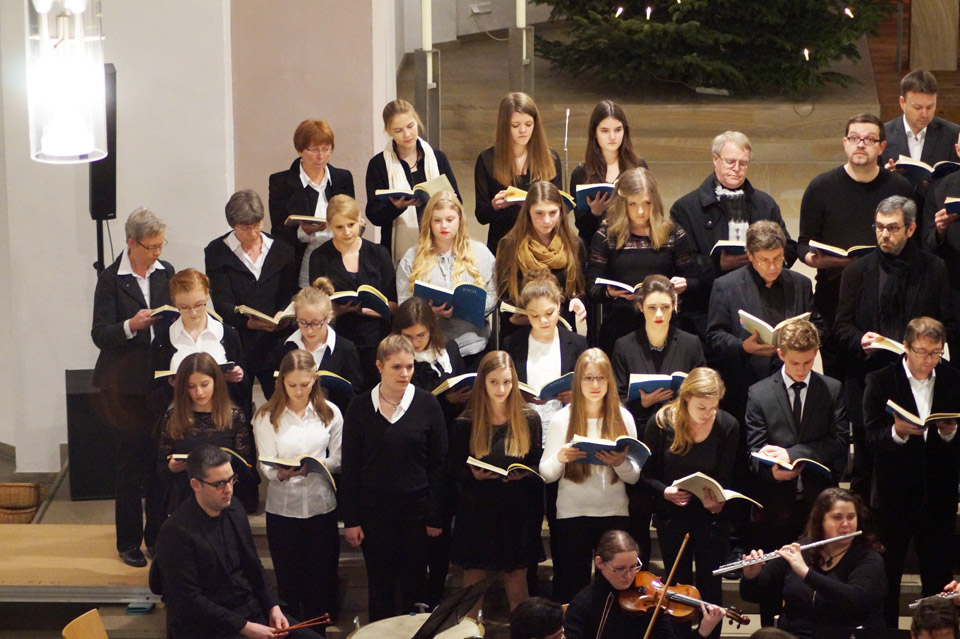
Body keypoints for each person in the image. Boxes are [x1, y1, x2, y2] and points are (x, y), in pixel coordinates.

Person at [834, 196, 955, 502]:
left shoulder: (933, 268)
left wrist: (926, 351)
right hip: (869, 380)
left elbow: (948, 323)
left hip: (919, 381)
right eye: (879, 227)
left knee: (918, 469)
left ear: (911, 229)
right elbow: (842, 327)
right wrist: (860, 340)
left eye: (892, 228)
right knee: (865, 471)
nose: (884, 234)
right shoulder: (857, 271)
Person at [154, 445, 323, 639]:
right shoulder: (175, 532)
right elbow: (189, 600)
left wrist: (273, 607)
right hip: (211, 626)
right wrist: (245, 627)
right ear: (196, 485)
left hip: (250, 611)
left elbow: (254, 565)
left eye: (231, 480)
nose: (229, 489)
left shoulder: (234, 508)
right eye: (220, 484)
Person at [744, 319, 848, 622]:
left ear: (816, 353)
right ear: (780, 354)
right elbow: (753, 452)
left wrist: (793, 453)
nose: (802, 370)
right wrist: (770, 472)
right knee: (771, 584)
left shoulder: (831, 389)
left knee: (816, 583)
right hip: (775, 505)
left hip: (817, 505)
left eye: (808, 362)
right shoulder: (759, 392)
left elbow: (839, 442)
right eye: (795, 363)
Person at [340, 335, 448, 621]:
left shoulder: (427, 404)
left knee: (416, 587)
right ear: (379, 366)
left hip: (416, 513)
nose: (404, 373)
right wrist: (351, 519)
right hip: (374, 514)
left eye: (409, 367)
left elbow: (439, 466)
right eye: (396, 367)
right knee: (380, 587)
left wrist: (435, 516)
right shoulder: (360, 407)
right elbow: (351, 466)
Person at [798, 114, 914, 375]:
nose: (861, 144)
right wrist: (816, 260)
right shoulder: (821, 187)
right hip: (835, 298)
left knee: (888, 382)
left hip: (888, 301)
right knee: (838, 381)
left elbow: (912, 243)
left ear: (882, 147)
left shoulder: (900, 187)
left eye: (869, 139)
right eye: (854, 138)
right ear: (845, 143)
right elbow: (803, 244)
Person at [863, 317, 960, 627]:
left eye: (936, 353)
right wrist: (898, 433)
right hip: (893, 497)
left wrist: (949, 434)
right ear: (905, 347)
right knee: (887, 577)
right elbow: (870, 437)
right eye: (922, 352)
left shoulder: (953, 379)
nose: (929, 360)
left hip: (938, 496)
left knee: (938, 578)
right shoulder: (880, 380)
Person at [91, 207, 173, 567]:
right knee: (130, 466)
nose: (157, 252)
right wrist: (131, 325)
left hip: (159, 383)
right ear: (131, 243)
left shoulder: (165, 272)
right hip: (124, 387)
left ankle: (156, 537)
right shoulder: (111, 279)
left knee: (159, 464)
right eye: (151, 246)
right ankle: (128, 542)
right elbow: (100, 333)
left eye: (160, 245)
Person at [612, 274, 706, 562]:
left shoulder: (690, 343)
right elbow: (615, 397)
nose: (659, 314)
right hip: (640, 437)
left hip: (678, 441)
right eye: (652, 307)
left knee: (675, 520)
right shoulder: (625, 345)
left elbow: (703, 389)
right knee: (638, 515)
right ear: (640, 306)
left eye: (665, 307)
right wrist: (640, 402)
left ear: (674, 305)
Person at [670, 131, 796, 338]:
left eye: (743, 163)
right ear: (715, 159)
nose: (737, 169)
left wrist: (763, 260)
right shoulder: (686, 207)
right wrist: (717, 264)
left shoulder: (765, 204)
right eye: (730, 162)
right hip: (705, 309)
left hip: (759, 305)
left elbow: (788, 249)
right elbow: (680, 262)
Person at [540, 349, 641, 603]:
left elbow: (633, 477)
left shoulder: (623, 417)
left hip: (613, 512)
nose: (595, 385)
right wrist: (561, 457)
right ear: (578, 381)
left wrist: (619, 463)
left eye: (600, 378)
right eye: (588, 378)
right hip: (572, 514)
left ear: (609, 381)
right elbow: (547, 474)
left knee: (614, 590)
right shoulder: (563, 418)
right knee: (572, 587)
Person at [253, 349, 343, 625]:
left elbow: (339, 458)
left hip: (320, 506)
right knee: (288, 583)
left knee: (322, 581)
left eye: (305, 384)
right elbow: (265, 464)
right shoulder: (267, 415)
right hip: (284, 510)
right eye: (292, 385)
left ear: (315, 379)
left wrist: (320, 463)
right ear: (281, 381)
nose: (299, 391)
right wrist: (281, 472)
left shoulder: (330, 412)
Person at [642, 367, 738, 628]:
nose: (708, 414)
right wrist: (665, 491)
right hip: (672, 516)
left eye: (713, 407)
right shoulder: (661, 423)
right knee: (677, 588)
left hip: (710, 518)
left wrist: (719, 501)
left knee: (711, 587)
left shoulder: (727, 425)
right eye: (701, 407)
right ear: (685, 399)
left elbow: (726, 475)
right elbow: (645, 474)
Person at [450, 351, 543, 613]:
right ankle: (470, 631)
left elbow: (537, 463)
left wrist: (526, 473)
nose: (501, 389)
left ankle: (522, 631)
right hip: (478, 511)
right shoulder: (466, 422)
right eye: (494, 382)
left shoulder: (529, 419)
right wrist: (472, 474)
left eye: (507, 382)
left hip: (515, 511)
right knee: (473, 588)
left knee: (518, 587)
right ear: (482, 382)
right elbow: (453, 468)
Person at [391, 297, 469, 605]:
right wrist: (442, 402)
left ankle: (436, 594)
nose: (415, 342)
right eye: (408, 336)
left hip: (449, 446)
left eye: (421, 335)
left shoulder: (449, 350)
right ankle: (412, 599)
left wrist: (461, 397)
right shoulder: (397, 360)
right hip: (416, 450)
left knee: (442, 529)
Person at [706, 221, 819, 427]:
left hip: (792, 381)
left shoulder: (801, 284)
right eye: (764, 260)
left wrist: (804, 340)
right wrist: (743, 346)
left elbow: (818, 325)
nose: (773, 266)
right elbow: (714, 336)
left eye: (778, 258)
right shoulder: (726, 286)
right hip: (745, 384)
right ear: (750, 256)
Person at [739, 487, 887, 639]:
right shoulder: (801, 550)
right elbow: (752, 595)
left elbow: (855, 600)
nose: (845, 524)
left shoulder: (868, 559)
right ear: (821, 521)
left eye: (851, 517)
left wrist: (806, 573)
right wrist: (751, 576)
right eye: (837, 517)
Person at [586, 167, 699, 353]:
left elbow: (695, 282)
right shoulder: (606, 235)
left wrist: (683, 285)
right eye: (632, 204)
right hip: (620, 324)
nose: (640, 211)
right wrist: (610, 292)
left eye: (647, 203)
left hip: (663, 322)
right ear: (622, 204)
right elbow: (591, 289)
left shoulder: (672, 233)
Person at [205, 189, 298, 409]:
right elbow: (222, 301)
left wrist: (283, 314)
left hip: (275, 340)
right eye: (246, 228)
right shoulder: (217, 251)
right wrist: (248, 322)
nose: (253, 232)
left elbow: (291, 292)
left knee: (281, 404)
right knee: (238, 407)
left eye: (257, 225)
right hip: (239, 341)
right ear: (232, 225)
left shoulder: (282, 249)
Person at [395, 191, 497, 368]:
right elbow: (404, 304)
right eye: (437, 220)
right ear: (429, 222)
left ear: (460, 220)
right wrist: (428, 313)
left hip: (474, 344)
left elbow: (494, 296)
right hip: (429, 349)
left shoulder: (481, 253)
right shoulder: (412, 257)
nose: (444, 225)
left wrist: (466, 308)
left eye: (450, 219)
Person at [563, 529, 725, 639]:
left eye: (634, 567)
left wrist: (703, 631)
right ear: (600, 563)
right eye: (620, 569)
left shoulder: (649, 602)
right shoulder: (583, 604)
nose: (629, 576)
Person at [309, 194, 397, 391]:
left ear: (360, 220)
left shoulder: (379, 253)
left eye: (351, 224)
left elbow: (394, 304)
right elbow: (315, 306)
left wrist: (379, 309)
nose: (347, 232)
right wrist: (338, 310)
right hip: (339, 338)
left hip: (376, 339)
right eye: (339, 227)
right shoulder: (320, 257)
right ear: (329, 225)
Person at [156, 353, 252, 521]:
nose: (199, 392)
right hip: (185, 497)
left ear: (216, 382)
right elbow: (161, 465)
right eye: (191, 386)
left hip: (223, 498)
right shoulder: (173, 416)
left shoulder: (234, 416)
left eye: (204, 384)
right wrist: (171, 467)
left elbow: (246, 466)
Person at [364, 99, 460, 262]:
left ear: (417, 121)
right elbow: (374, 215)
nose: (407, 134)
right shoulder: (379, 164)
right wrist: (395, 207)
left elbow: (459, 203)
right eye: (399, 130)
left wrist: (449, 200)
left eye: (410, 126)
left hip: (440, 243)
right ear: (388, 131)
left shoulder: (437, 158)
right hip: (398, 248)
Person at [268, 119, 356, 286]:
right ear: (300, 150)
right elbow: (278, 231)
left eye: (326, 149)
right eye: (314, 149)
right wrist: (303, 231)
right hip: (300, 262)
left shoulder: (342, 178)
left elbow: (350, 215)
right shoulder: (281, 182)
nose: (321, 156)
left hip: (339, 259)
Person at [496, 181, 587, 340]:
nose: (546, 220)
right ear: (528, 212)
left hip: (559, 330)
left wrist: (578, 300)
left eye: (552, 213)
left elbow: (580, 287)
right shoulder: (509, 245)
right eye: (539, 213)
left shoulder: (574, 244)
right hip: (520, 331)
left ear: (561, 211)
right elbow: (504, 293)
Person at [503, 273, 588, 442]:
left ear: (558, 305)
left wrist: (576, 395)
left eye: (549, 313)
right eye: (534, 315)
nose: (543, 321)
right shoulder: (513, 343)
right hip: (524, 432)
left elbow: (591, 385)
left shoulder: (577, 343)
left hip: (567, 430)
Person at [476, 92, 562, 254]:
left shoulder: (550, 157)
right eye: (515, 126)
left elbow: (561, 206)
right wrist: (494, 205)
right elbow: (481, 215)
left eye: (529, 124)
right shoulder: (487, 159)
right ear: (504, 126)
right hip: (504, 243)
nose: (523, 130)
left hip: (541, 244)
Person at [151, 268, 245, 410]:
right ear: (175, 303)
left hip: (221, 416)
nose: (193, 313)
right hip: (179, 417)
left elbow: (243, 393)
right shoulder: (163, 341)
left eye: (198, 305)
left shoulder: (228, 334)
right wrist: (172, 386)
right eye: (184, 307)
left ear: (207, 294)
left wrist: (237, 377)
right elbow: (152, 399)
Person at [266, 277, 363, 414]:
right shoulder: (284, 347)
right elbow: (271, 391)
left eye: (316, 323)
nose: (309, 330)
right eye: (303, 322)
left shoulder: (345, 349)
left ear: (329, 317)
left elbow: (355, 394)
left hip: (332, 418)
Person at [880, 70, 960, 232]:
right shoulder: (883, 134)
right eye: (917, 107)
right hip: (895, 222)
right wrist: (885, 175)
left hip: (936, 222)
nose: (925, 114)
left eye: (930, 107)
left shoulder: (953, 134)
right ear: (902, 103)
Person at [569, 100, 647, 248]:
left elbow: (650, 211)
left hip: (631, 244)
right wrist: (595, 213)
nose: (612, 137)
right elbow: (582, 228)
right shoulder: (581, 173)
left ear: (625, 131)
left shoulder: (638, 167)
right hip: (595, 246)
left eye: (618, 130)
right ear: (595, 133)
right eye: (605, 131)